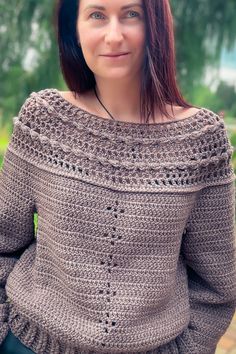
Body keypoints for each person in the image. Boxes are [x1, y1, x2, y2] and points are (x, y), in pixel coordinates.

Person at [0, 0, 236, 353]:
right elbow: (4, 243)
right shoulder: (43, 121)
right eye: (97, 15)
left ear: (156, 26)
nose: (114, 35)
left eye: (132, 14)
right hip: (27, 343)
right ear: (74, 30)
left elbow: (218, 283)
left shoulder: (201, 140)